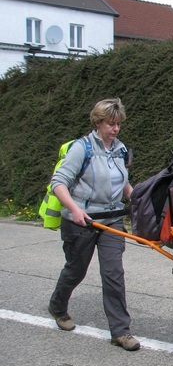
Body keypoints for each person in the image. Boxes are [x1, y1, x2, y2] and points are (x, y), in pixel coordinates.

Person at [48, 97, 139, 351]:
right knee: (76, 270)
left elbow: (122, 184)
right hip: (81, 222)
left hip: (111, 221)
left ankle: (121, 331)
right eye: (111, 124)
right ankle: (58, 306)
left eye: (118, 123)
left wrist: (137, 198)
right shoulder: (82, 148)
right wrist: (75, 210)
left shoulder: (119, 149)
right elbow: (59, 183)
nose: (116, 129)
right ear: (98, 122)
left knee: (114, 275)